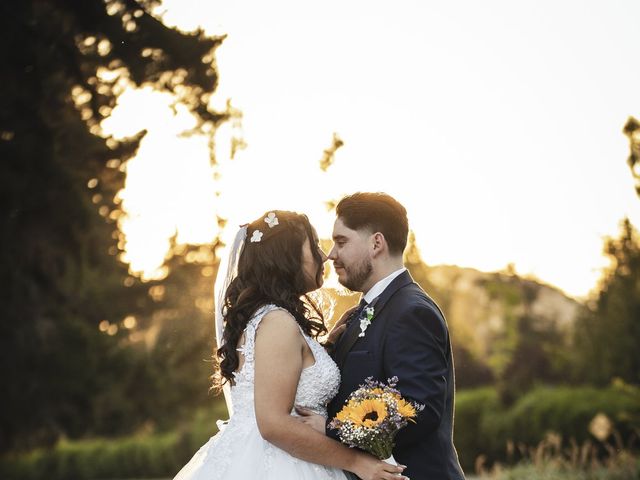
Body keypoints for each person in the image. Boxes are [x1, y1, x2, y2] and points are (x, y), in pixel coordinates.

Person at [172, 210, 407, 480]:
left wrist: (325, 348)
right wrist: (357, 462)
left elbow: (292, 378)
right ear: (288, 255)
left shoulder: (272, 318)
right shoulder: (277, 322)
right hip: (282, 464)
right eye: (315, 246)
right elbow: (273, 424)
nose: (325, 256)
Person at [298, 193, 466, 479]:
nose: (330, 255)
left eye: (341, 242)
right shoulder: (368, 309)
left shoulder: (412, 312)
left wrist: (328, 429)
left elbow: (418, 411)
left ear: (376, 243)